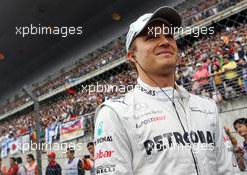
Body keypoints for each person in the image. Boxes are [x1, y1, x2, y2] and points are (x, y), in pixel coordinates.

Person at [94, 6, 235, 175]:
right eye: (151, 37)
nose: (165, 41)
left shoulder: (207, 107)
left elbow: (228, 170)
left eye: (169, 35)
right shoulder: (115, 113)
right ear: (132, 56)